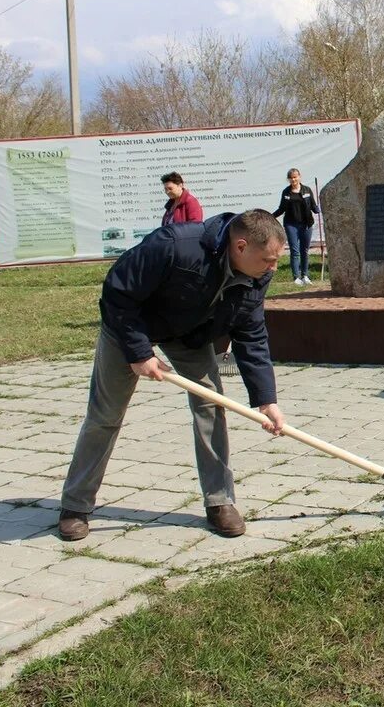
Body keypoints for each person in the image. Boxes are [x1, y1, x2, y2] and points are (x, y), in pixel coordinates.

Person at [57, 210, 288, 542]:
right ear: (240, 246)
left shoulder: (257, 274)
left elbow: (251, 336)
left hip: (189, 335)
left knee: (210, 405)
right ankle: (75, 506)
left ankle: (220, 501)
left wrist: (266, 400)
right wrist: (139, 353)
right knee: (105, 415)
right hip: (129, 327)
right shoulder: (175, 245)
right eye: (268, 259)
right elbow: (117, 293)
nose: (273, 267)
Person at [271, 167, 321, 286]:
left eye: (295, 177)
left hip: (306, 225)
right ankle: (296, 277)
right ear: (289, 179)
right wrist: (271, 216)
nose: (293, 180)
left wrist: (318, 209)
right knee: (295, 251)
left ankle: (305, 275)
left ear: (299, 177)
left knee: (305, 250)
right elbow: (281, 208)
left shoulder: (307, 190)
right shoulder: (286, 192)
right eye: (291, 178)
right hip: (291, 224)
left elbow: (313, 206)